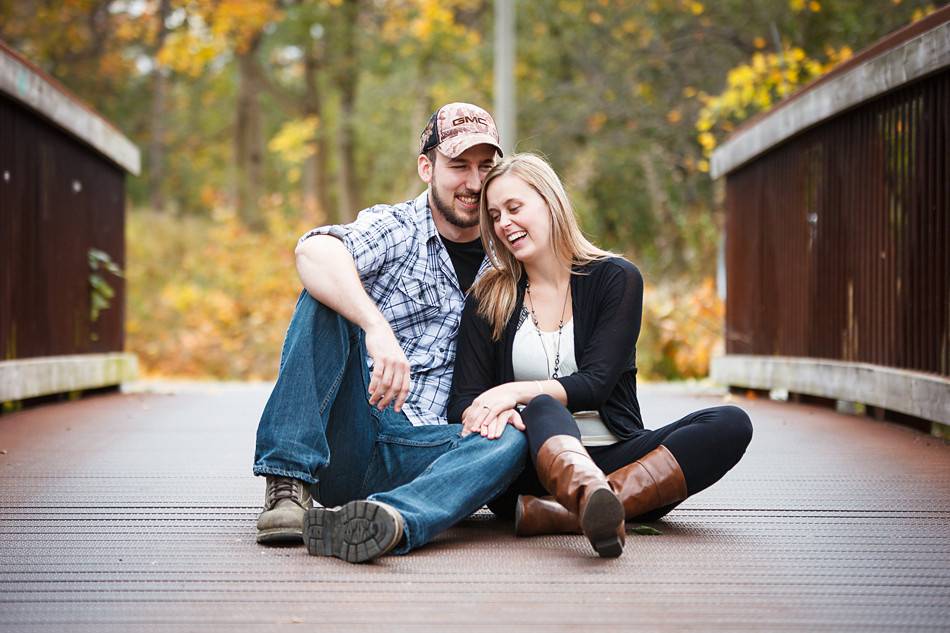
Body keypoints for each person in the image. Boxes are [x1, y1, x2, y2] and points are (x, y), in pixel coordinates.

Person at [252, 103, 528, 564]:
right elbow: (314, 249)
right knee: (325, 296)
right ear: (427, 167)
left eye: (486, 167)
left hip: (424, 454)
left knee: (512, 437)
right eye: (458, 165)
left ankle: (388, 520)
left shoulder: (508, 255)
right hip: (351, 431)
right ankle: (287, 485)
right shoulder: (398, 228)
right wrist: (375, 327)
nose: (474, 183)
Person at [448, 153, 753, 558]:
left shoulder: (616, 279)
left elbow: (595, 384)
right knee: (541, 407)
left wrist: (511, 391)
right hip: (530, 469)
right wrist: (506, 409)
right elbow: (463, 404)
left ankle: (571, 511)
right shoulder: (489, 299)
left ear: (550, 202)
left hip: (621, 457)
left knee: (730, 422)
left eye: (515, 208)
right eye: (495, 215)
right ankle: (597, 502)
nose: (504, 223)